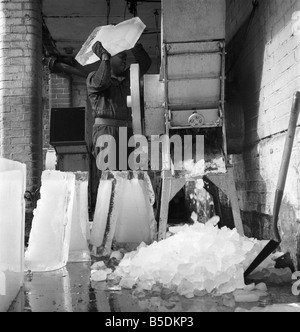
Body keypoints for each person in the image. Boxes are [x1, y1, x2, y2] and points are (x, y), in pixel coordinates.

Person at [86, 41, 152, 171]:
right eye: (122, 57)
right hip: (106, 131)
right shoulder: (93, 78)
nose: (125, 62)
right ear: (111, 58)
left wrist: (133, 43)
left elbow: (145, 63)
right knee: (109, 177)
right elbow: (102, 82)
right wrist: (105, 57)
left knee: (129, 177)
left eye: (126, 58)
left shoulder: (127, 78)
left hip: (127, 132)